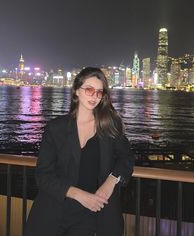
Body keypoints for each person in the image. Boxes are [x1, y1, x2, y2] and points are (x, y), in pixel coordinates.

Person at [24, 67, 135, 236]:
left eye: (99, 92)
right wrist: (79, 194)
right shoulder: (56, 128)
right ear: (77, 91)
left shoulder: (109, 126)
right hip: (53, 211)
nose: (94, 96)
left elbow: (126, 158)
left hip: (89, 216)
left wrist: (111, 182)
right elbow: (43, 175)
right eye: (89, 89)